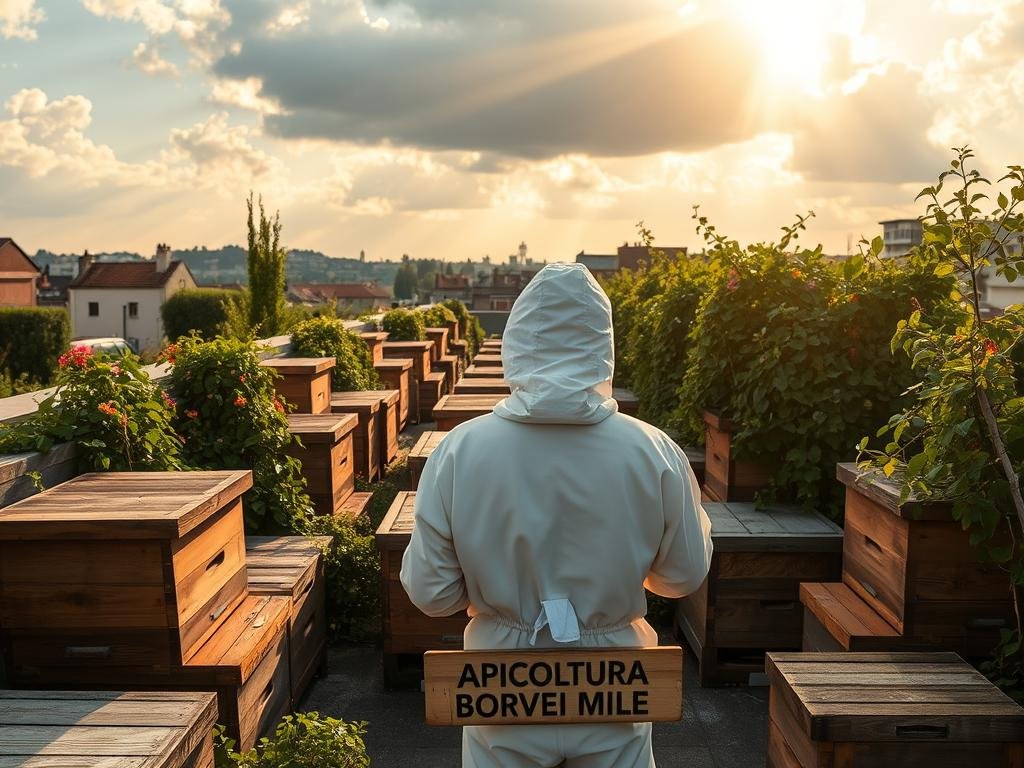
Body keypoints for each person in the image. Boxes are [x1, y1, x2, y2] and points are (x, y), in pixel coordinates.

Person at [401, 263, 713, 768]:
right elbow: (682, 576)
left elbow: (432, 594)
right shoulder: (653, 451)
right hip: (615, 691)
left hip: (500, 690)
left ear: (517, 342)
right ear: (603, 347)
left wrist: (499, 594)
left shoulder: (459, 451)